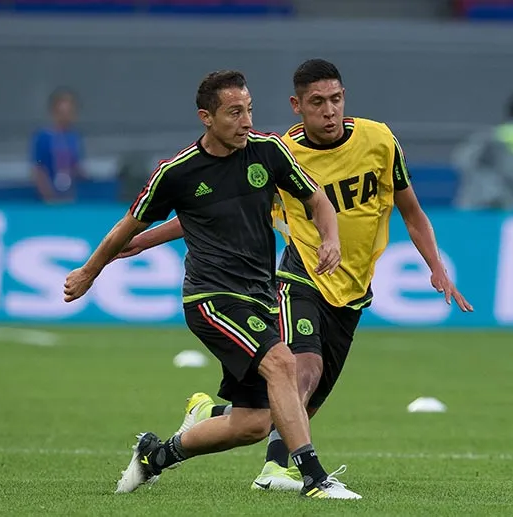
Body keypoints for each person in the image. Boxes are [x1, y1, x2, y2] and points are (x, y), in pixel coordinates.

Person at [115, 59, 473, 492]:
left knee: (278, 410)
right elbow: (214, 205)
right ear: (297, 105)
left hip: (352, 289)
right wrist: (145, 239)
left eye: (336, 99)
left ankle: (189, 432)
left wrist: (436, 266)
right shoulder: (280, 151)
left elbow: (411, 211)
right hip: (299, 275)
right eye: (317, 102)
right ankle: (283, 472)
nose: (329, 110)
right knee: (299, 371)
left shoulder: (379, 141)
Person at [63, 69, 362, 500]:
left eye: (250, 110)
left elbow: (317, 199)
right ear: (207, 117)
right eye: (235, 113)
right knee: (283, 363)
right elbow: (124, 228)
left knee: (253, 423)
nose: (246, 121)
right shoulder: (177, 172)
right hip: (211, 298)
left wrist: (330, 239)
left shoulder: (267, 151)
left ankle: (155, 456)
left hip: (259, 296)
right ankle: (314, 478)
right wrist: (90, 272)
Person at [31, 88, 87, 203]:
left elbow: (76, 165)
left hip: (70, 196)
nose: (66, 116)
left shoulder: (74, 137)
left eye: (70, 112)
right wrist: (49, 197)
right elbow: (38, 170)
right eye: (62, 112)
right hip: (47, 199)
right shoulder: (43, 137)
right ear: (54, 112)